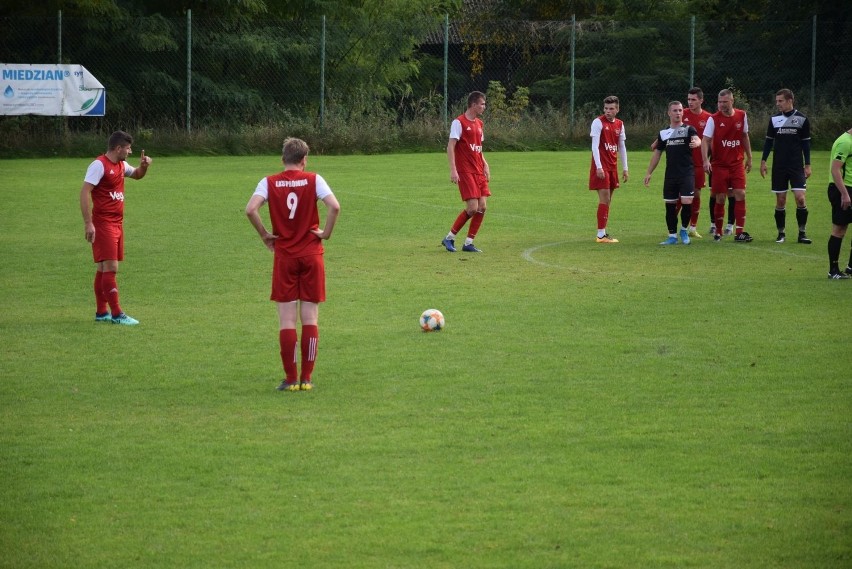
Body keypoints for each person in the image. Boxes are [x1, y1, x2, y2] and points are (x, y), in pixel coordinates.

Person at [246, 137, 341, 391]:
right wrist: (326, 233)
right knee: (310, 318)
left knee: (287, 321)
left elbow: (250, 209)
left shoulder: (269, 182)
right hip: (311, 254)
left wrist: (265, 234)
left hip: (285, 256)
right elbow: (334, 206)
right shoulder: (314, 179)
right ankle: (307, 379)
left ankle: (290, 379)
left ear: (282, 159)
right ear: (304, 160)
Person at [79, 130, 152, 325]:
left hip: (117, 223)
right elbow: (85, 192)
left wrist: (144, 167)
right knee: (111, 267)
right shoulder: (99, 165)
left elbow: (136, 174)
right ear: (118, 148)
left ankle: (102, 313)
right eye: (128, 148)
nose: (130, 152)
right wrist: (89, 223)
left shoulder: (121, 165)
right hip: (103, 224)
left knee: (103, 267)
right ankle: (117, 314)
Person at [644, 101, 702, 245]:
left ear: (683, 112)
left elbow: (697, 139)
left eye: (680, 110)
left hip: (687, 172)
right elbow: (657, 153)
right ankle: (672, 236)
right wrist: (649, 172)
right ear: (669, 113)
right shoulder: (663, 133)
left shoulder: (689, 129)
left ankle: (683, 229)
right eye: (675, 110)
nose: (678, 113)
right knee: (670, 205)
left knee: (687, 201)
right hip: (670, 174)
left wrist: (696, 143)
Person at [759, 88, 813, 244]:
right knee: (781, 200)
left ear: (790, 100)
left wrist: (808, 164)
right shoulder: (774, 119)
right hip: (779, 166)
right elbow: (769, 141)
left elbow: (806, 144)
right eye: (777, 101)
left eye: (780, 101)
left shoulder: (802, 119)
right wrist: (763, 161)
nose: (778, 104)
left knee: (800, 199)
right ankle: (781, 233)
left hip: (796, 166)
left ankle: (802, 233)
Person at [702, 89, 753, 242]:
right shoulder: (713, 119)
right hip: (719, 165)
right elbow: (705, 140)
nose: (722, 105)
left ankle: (739, 233)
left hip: (736, 163)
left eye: (725, 102)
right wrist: (705, 160)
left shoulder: (741, 115)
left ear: (732, 101)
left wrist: (749, 157)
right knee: (721, 198)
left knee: (740, 193)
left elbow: (744, 136)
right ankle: (718, 231)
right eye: (719, 102)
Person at [442, 91, 490, 253]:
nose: (484, 106)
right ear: (473, 104)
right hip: (465, 171)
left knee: (482, 207)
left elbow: (478, 149)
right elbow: (451, 146)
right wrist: (453, 170)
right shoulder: (459, 122)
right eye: (482, 104)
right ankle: (449, 238)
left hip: (478, 170)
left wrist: (485, 164)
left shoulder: (479, 124)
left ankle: (468, 243)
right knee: (472, 208)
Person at [589, 95, 629, 243]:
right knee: (604, 198)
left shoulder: (620, 124)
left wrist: (625, 168)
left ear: (617, 109)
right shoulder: (598, 122)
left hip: (612, 167)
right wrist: (598, 167)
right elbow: (594, 146)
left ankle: (603, 232)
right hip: (602, 167)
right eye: (606, 108)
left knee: (608, 200)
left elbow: (622, 146)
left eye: (611, 108)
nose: (608, 111)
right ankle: (600, 235)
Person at [826, 127, 852, 279]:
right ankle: (833, 270)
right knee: (840, 229)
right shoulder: (845, 142)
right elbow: (835, 170)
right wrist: (844, 194)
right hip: (842, 189)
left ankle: (850, 267)